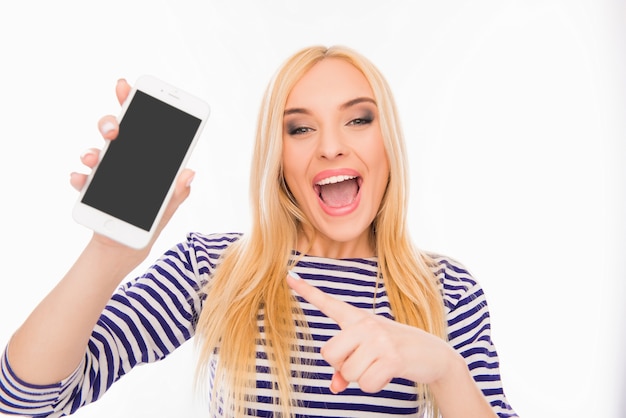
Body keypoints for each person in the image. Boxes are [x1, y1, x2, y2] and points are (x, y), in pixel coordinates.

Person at [0, 45, 518, 417]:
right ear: (279, 158)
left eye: (358, 120)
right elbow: (25, 400)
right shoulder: (215, 268)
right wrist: (108, 253)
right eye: (300, 127)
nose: (332, 147)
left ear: (389, 144)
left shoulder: (448, 289)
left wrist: (446, 369)